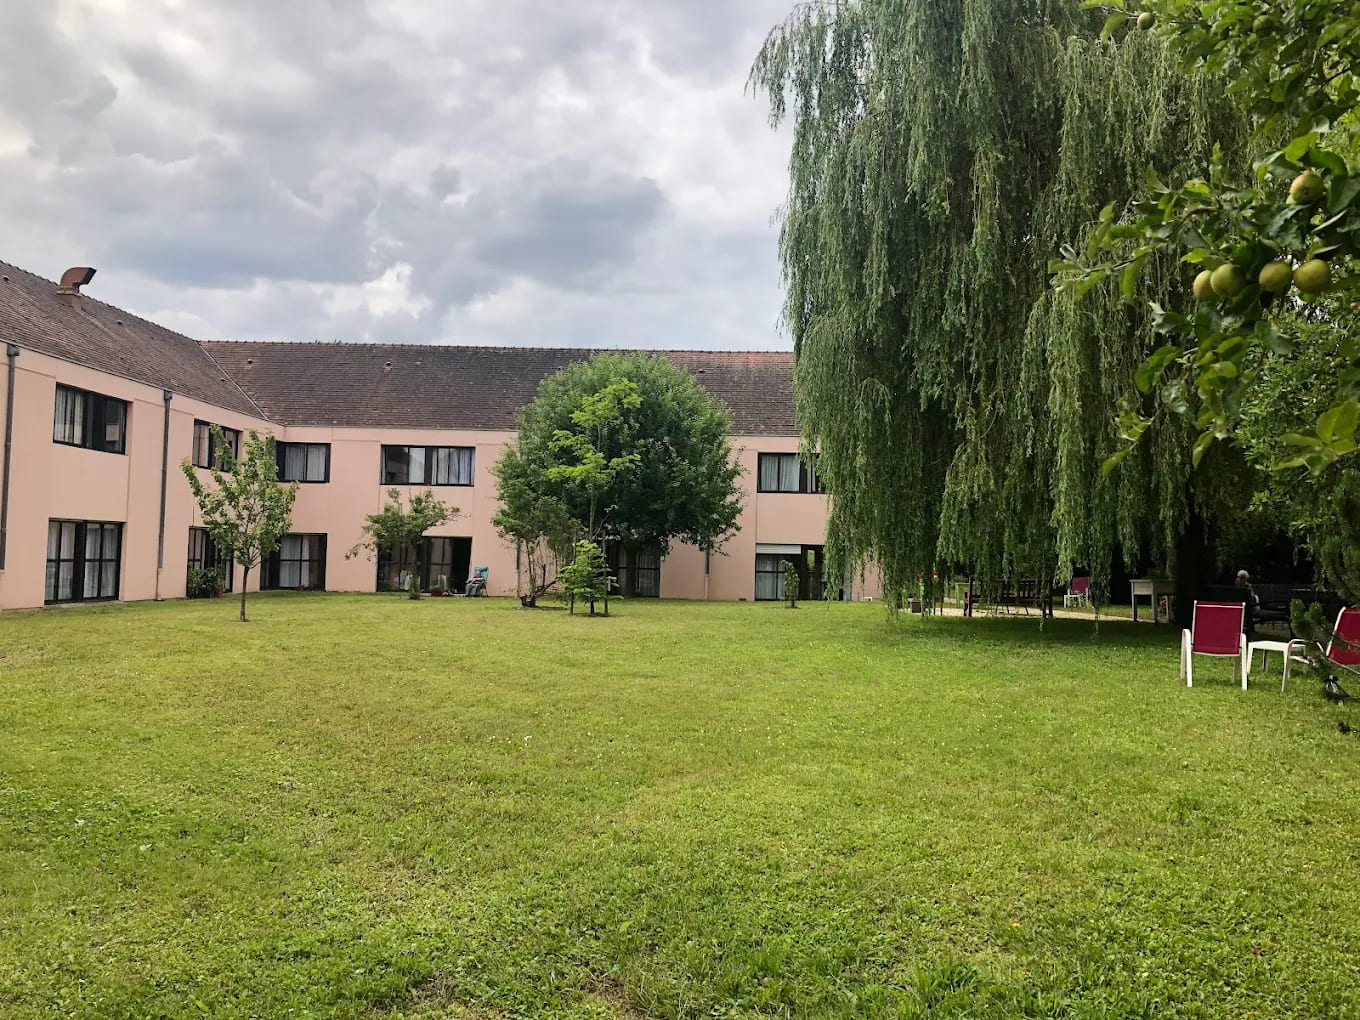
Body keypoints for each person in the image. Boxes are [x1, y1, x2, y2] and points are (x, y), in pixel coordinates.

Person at [1236, 570, 1260, 635]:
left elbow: (1252, 596)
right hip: (1242, 605)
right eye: (1239, 577)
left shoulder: (1248, 586)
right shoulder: (1237, 586)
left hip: (1247, 605)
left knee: (1248, 610)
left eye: (1242, 577)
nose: (1240, 579)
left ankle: (1249, 628)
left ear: (1245, 578)